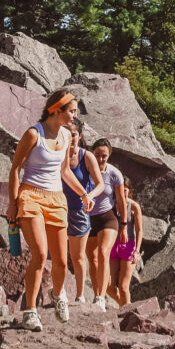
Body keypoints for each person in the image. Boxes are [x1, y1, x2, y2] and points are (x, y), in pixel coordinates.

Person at [7, 89, 91, 331]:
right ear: (57, 110)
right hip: (31, 195)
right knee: (41, 254)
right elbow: (15, 170)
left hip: (56, 199)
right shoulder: (34, 134)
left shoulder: (66, 135)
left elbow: (64, 171)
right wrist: (13, 204)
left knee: (62, 263)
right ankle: (30, 311)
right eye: (71, 111)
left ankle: (57, 295)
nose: (74, 116)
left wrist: (83, 193)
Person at [62, 122, 105, 303]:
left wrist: (89, 196)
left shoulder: (86, 157)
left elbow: (100, 184)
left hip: (79, 211)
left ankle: (80, 296)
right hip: (58, 208)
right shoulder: (58, 154)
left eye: (73, 134)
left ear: (79, 136)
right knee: (58, 255)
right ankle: (59, 291)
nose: (71, 138)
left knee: (77, 256)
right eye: (67, 134)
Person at [85, 139, 127, 311]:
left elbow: (122, 201)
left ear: (109, 156)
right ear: (92, 153)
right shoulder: (85, 169)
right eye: (97, 155)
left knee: (103, 252)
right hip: (88, 219)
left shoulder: (114, 173)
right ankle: (97, 295)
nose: (101, 159)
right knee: (92, 260)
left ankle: (100, 297)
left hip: (108, 218)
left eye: (104, 156)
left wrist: (123, 225)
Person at [107, 176, 143, 306]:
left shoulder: (134, 206)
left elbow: (139, 231)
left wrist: (137, 251)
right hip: (113, 245)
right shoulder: (110, 204)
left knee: (123, 286)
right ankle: (125, 307)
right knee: (108, 286)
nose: (123, 192)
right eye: (121, 189)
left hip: (129, 246)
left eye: (126, 190)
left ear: (130, 190)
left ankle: (127, 313)